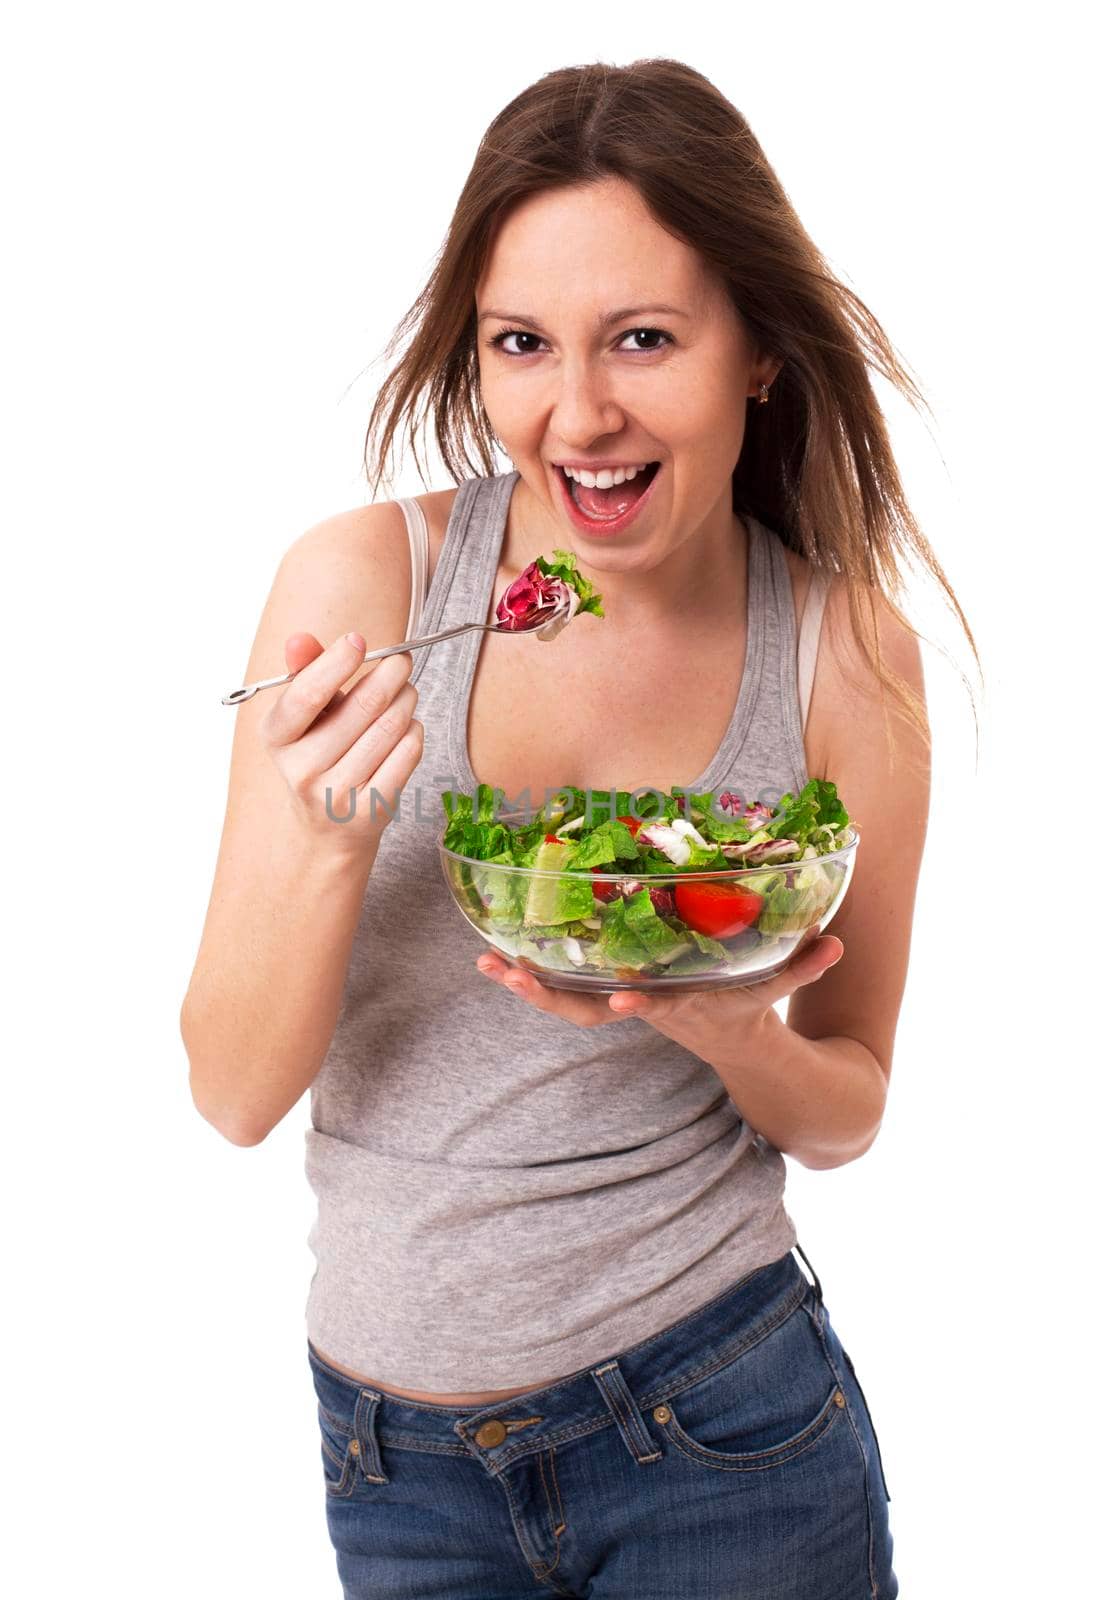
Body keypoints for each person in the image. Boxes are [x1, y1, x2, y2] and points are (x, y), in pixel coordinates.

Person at [182, 57, 976, 1600]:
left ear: (756, 353)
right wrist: (334, 835)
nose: (580, 412)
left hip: (724, 1436)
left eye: (646, 340)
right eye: (523, 345)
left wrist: (736, 1026)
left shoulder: (844, 650)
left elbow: (849, 1105)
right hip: (393, 1471)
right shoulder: (368, 590)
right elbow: (229, 1092)